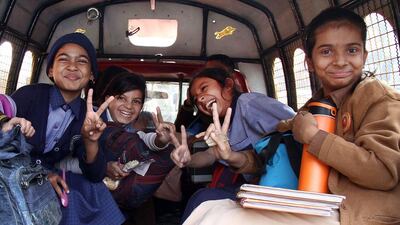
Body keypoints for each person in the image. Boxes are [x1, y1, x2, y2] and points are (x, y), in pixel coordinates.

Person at [182, 7, 400, 225]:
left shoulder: (378, 99)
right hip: (313, 200)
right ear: (310, 63)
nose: (340, 61)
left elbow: (384, 172)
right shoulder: (315, 105)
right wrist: (230, 155)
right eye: (326, 52)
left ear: (365, 56)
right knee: (208, 209)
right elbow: (275, 153)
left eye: (352, 50)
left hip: (353, 213)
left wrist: (314, 137)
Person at [11, 32, 125, 225]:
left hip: (51, 175)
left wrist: (90, 141)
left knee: (90, 189)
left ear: (91, 75)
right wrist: (39, 175)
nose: (72, 66)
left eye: (82, 61)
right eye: (64, 59)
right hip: (14, 173)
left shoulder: (92, 115)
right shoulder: (28, 96)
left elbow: (95, 174)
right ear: (50, 71)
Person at [170, 67, 295, 222]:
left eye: (204, 88)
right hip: (255, 187)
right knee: (201, 197)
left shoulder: (247, 103)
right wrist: (188, 160)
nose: (200, 98)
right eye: (196, 98)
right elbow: (211, 155)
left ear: (228, 86)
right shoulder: (222, 128)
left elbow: (293, 122)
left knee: (203, 198)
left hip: (282, 186)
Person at [93, 71, 175, 211]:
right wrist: (103, 167)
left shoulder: (128, 129)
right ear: (108, 100)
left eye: (136, 101)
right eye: (121, 98)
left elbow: (143, 138)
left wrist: (161, 140)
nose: (129, 106)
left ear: (141, 107)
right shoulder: (93, 120)